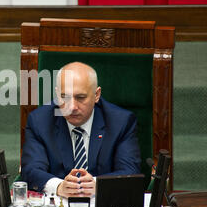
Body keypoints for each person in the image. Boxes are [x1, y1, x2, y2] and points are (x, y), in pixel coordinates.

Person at [21, 62, 141, 198]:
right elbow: (31, 170)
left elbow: (130, 171)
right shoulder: (40, 121)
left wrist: (97, 184)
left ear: (97, 95)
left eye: (80, 98)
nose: (72, 107)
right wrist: (59, 186)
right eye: (64, 97)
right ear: (56, 93)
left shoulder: (120, 122)